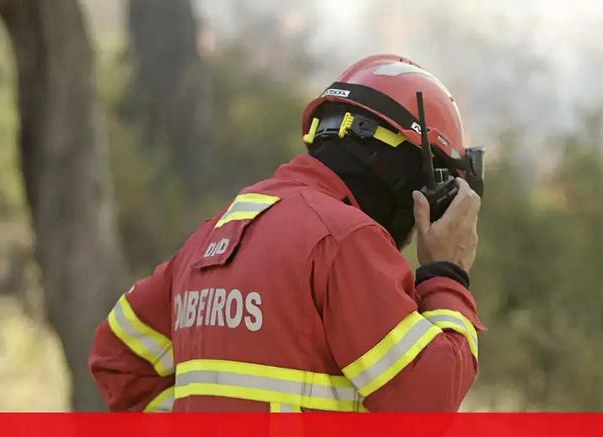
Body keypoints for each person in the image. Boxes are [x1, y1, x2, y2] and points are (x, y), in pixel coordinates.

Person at [88, 54, 486, 412]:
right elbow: (427, 402)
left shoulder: (215, 234)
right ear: (410, 171)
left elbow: (117, 357)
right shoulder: (344, 240)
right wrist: (447, 273)